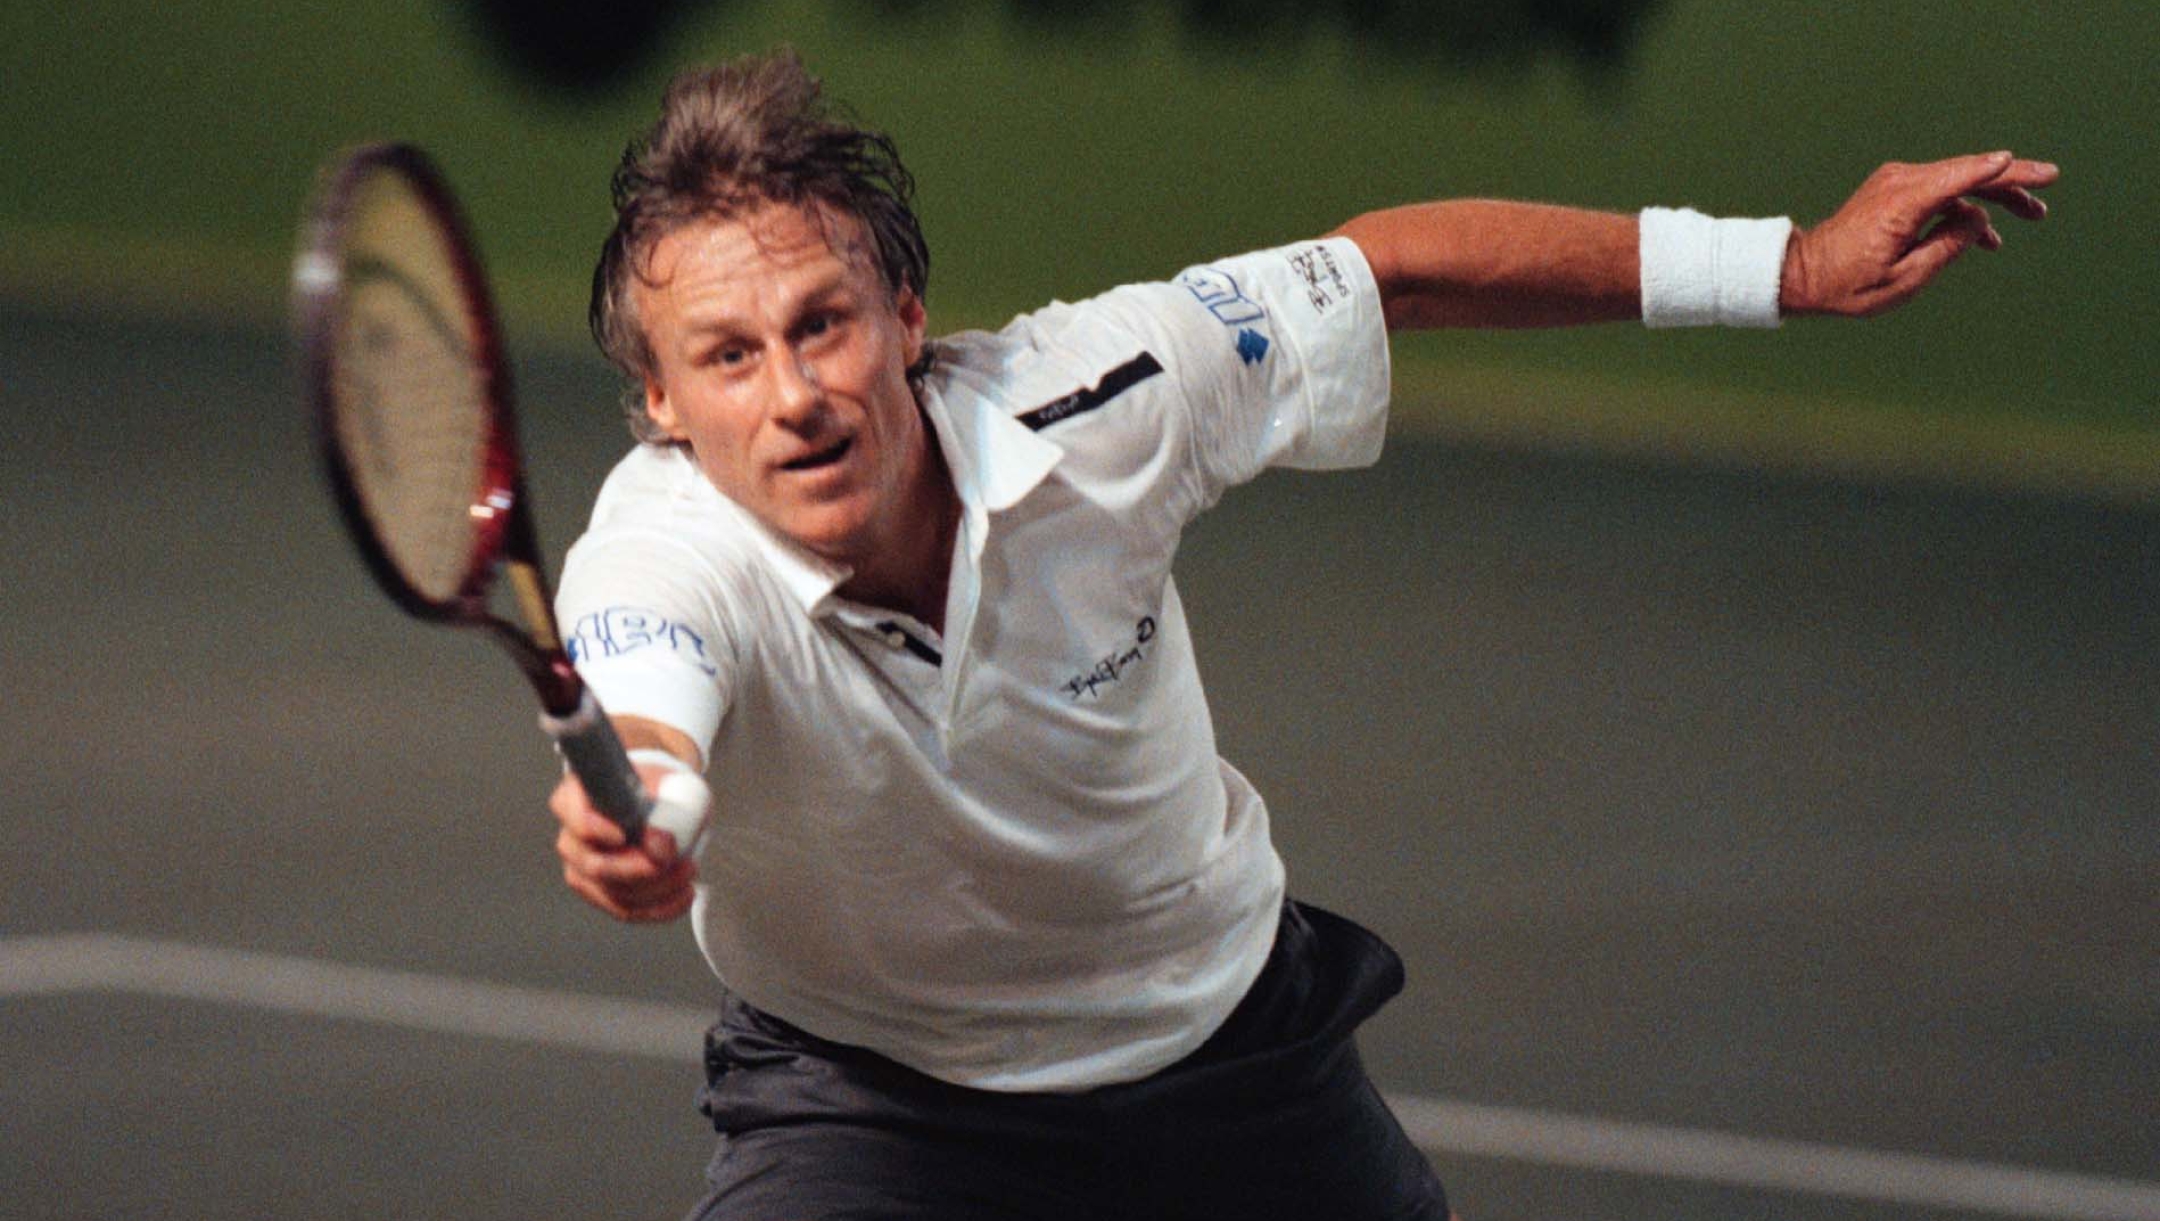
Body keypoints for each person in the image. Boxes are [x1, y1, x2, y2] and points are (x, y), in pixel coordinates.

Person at [547, 48, 2055, 1221]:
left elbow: (1389, 273)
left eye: (822, 323)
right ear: (667, 406)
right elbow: (649, 708)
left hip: (1222, 1055)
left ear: (907, 313)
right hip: (873, 1102)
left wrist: (1785, 265)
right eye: (728, 358)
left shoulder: (1111, 395)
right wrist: (653, 808)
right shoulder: (659, 549)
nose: (794, 393)